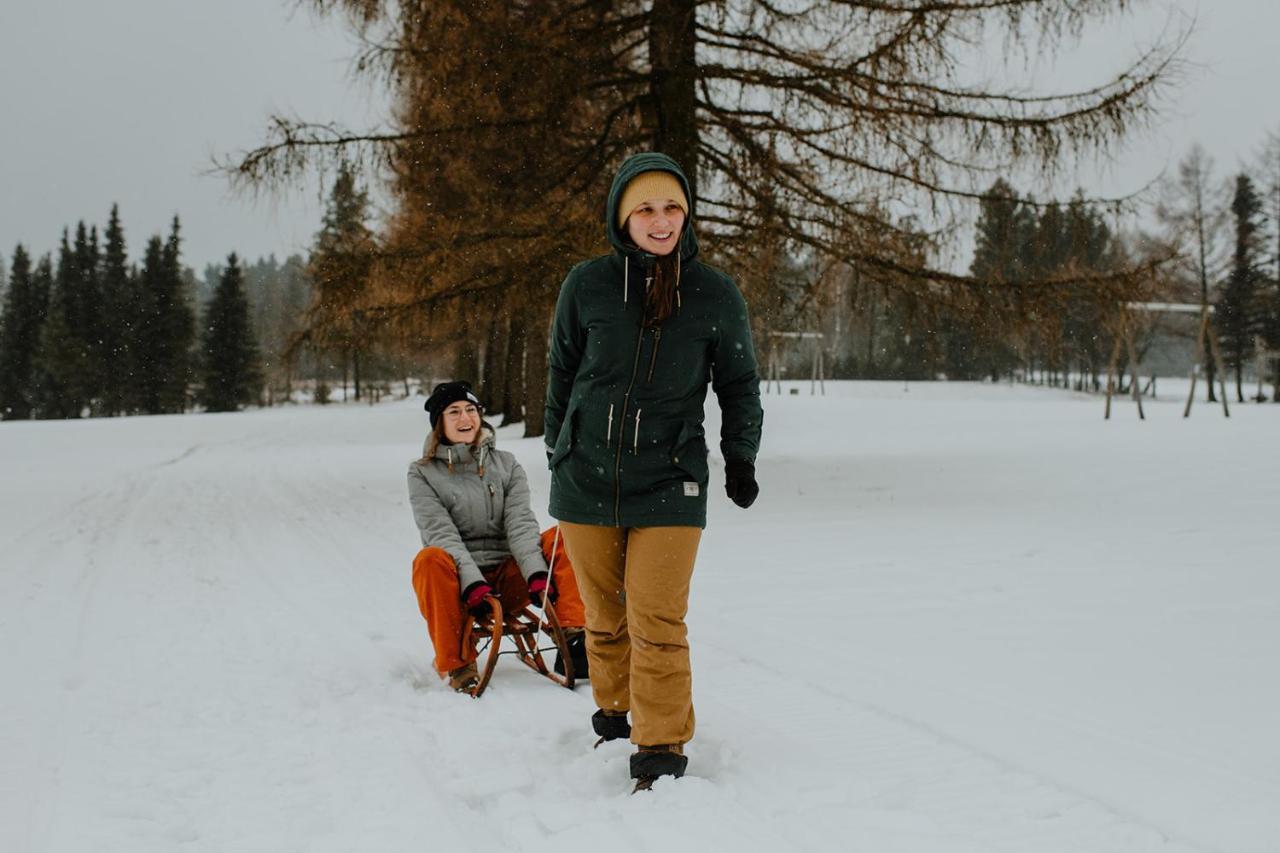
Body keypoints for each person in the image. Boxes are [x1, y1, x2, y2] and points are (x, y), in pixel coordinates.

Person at [544, 152, 763, 788]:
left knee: (656, 617)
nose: (660, 220)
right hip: (585, 477)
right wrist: (560, 444)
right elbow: (561, 371)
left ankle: (661, 746)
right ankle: (615, 715)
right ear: (623, 217)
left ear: (686, 213)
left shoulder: (714, 293)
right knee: (604, 616)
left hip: (671, 479)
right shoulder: (586, 286)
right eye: (646, 208)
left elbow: (739, 383)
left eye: (671, 207)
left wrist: (740, 455)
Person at [408, 380, 589, 693]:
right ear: (440, 422)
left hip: (509, 575)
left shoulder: (506, 465)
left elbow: (519, 523)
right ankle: (459, 662)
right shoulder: (422, 473)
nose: (465, 419)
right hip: (461, 588)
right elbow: (441, 534)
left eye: (470, 410)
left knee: (564, 535)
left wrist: (534, 573)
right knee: (429, 560)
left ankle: (573, 637)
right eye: (454, 412)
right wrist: (473, 582)